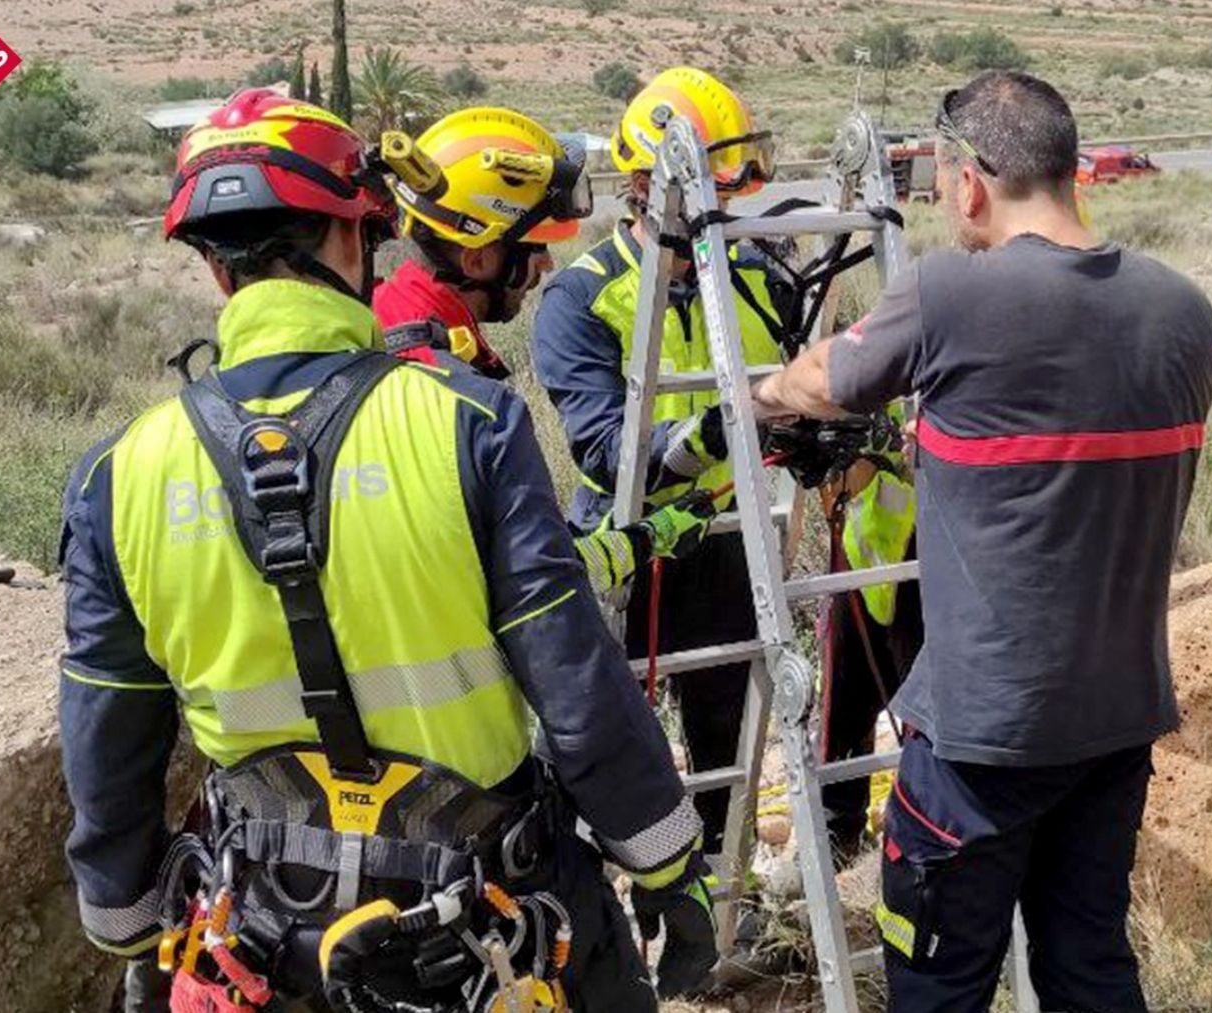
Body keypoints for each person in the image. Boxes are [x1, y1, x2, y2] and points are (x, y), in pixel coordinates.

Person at [57, 89, 716, 1013]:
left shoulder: (116, 477)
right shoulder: (467, 425)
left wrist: (129, 926)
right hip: (486, 924)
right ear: (350, 240)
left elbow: (107, 736)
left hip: (265, 938)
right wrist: (667, 865)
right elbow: (577, 686)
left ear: (216, 272)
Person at [752, 71, 1212, 1012]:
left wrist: (766, 394)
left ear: (971, 180)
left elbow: (820, 383)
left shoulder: (950, 296)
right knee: (1090, 965)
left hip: (982, 742)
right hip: (1118, 720)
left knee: (939, 985)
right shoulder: (1186, 313)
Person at [531, 66, 786, 859]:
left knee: (722, 730)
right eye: (707, 189)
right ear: (644, 184)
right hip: (623, 549)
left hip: (724, 542)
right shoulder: (581, 298)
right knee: (605, 746)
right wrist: (726, 426)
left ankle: (711, 895)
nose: (723, 209)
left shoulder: (756, 276)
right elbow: (606, 450)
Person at [373, 105, 717, 594]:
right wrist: (636, 544)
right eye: (534, 247)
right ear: (478, 257)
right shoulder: (442, 388)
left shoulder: (394, 325)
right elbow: (517, 579)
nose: (548, 264)